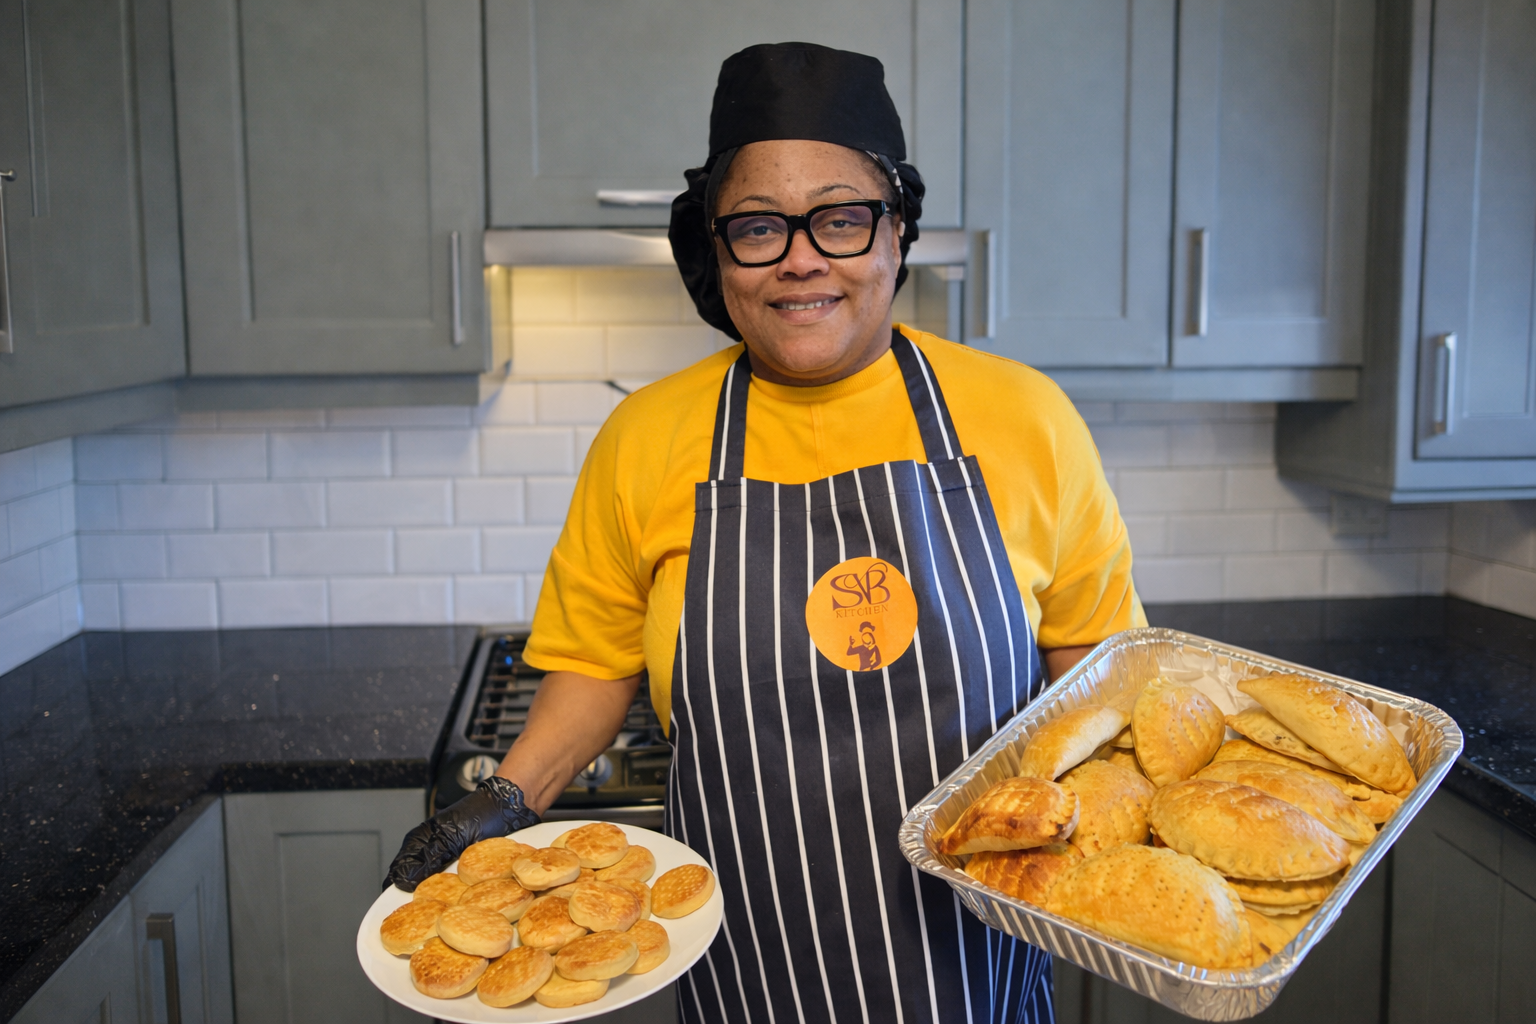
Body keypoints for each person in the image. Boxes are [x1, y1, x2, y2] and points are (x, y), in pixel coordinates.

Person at [388, 41, 1144, 1023]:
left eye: (839, 219)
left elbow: (1099, 678)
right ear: (716, 245)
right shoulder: (645, 438)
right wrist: (509, 795)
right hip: (745, 972)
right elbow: (594, 664)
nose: (799, 258)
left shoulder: (1027, 420)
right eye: (758, 227)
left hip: (976, 975)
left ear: (896, 231)